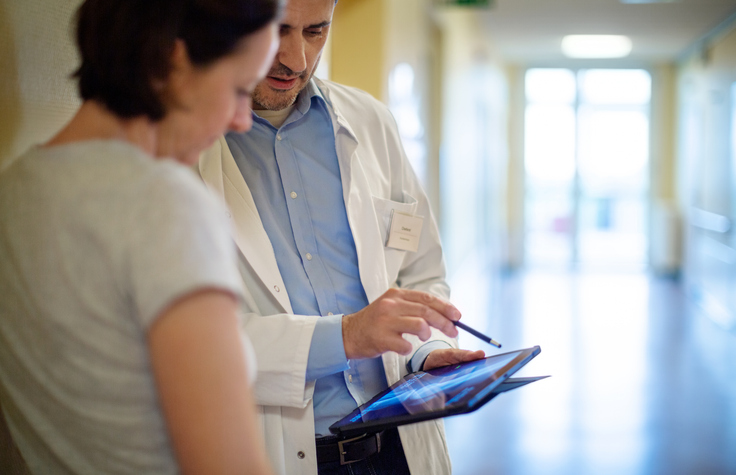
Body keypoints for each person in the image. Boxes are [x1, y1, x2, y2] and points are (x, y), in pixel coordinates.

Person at [198, 0, 485, 473]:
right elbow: (199, 340)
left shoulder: (370, 121)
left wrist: (427, 351)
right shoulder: (189, 147)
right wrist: (347, 336)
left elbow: (418, 270)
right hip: (284, 451)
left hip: (399, 445)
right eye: (277, 31)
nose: (296, 59)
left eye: (316, 31)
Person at [0, 0, 281, 473]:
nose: (241, 120)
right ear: (174, 63)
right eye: (239, 90)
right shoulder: (167, 206)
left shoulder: (13, 192)